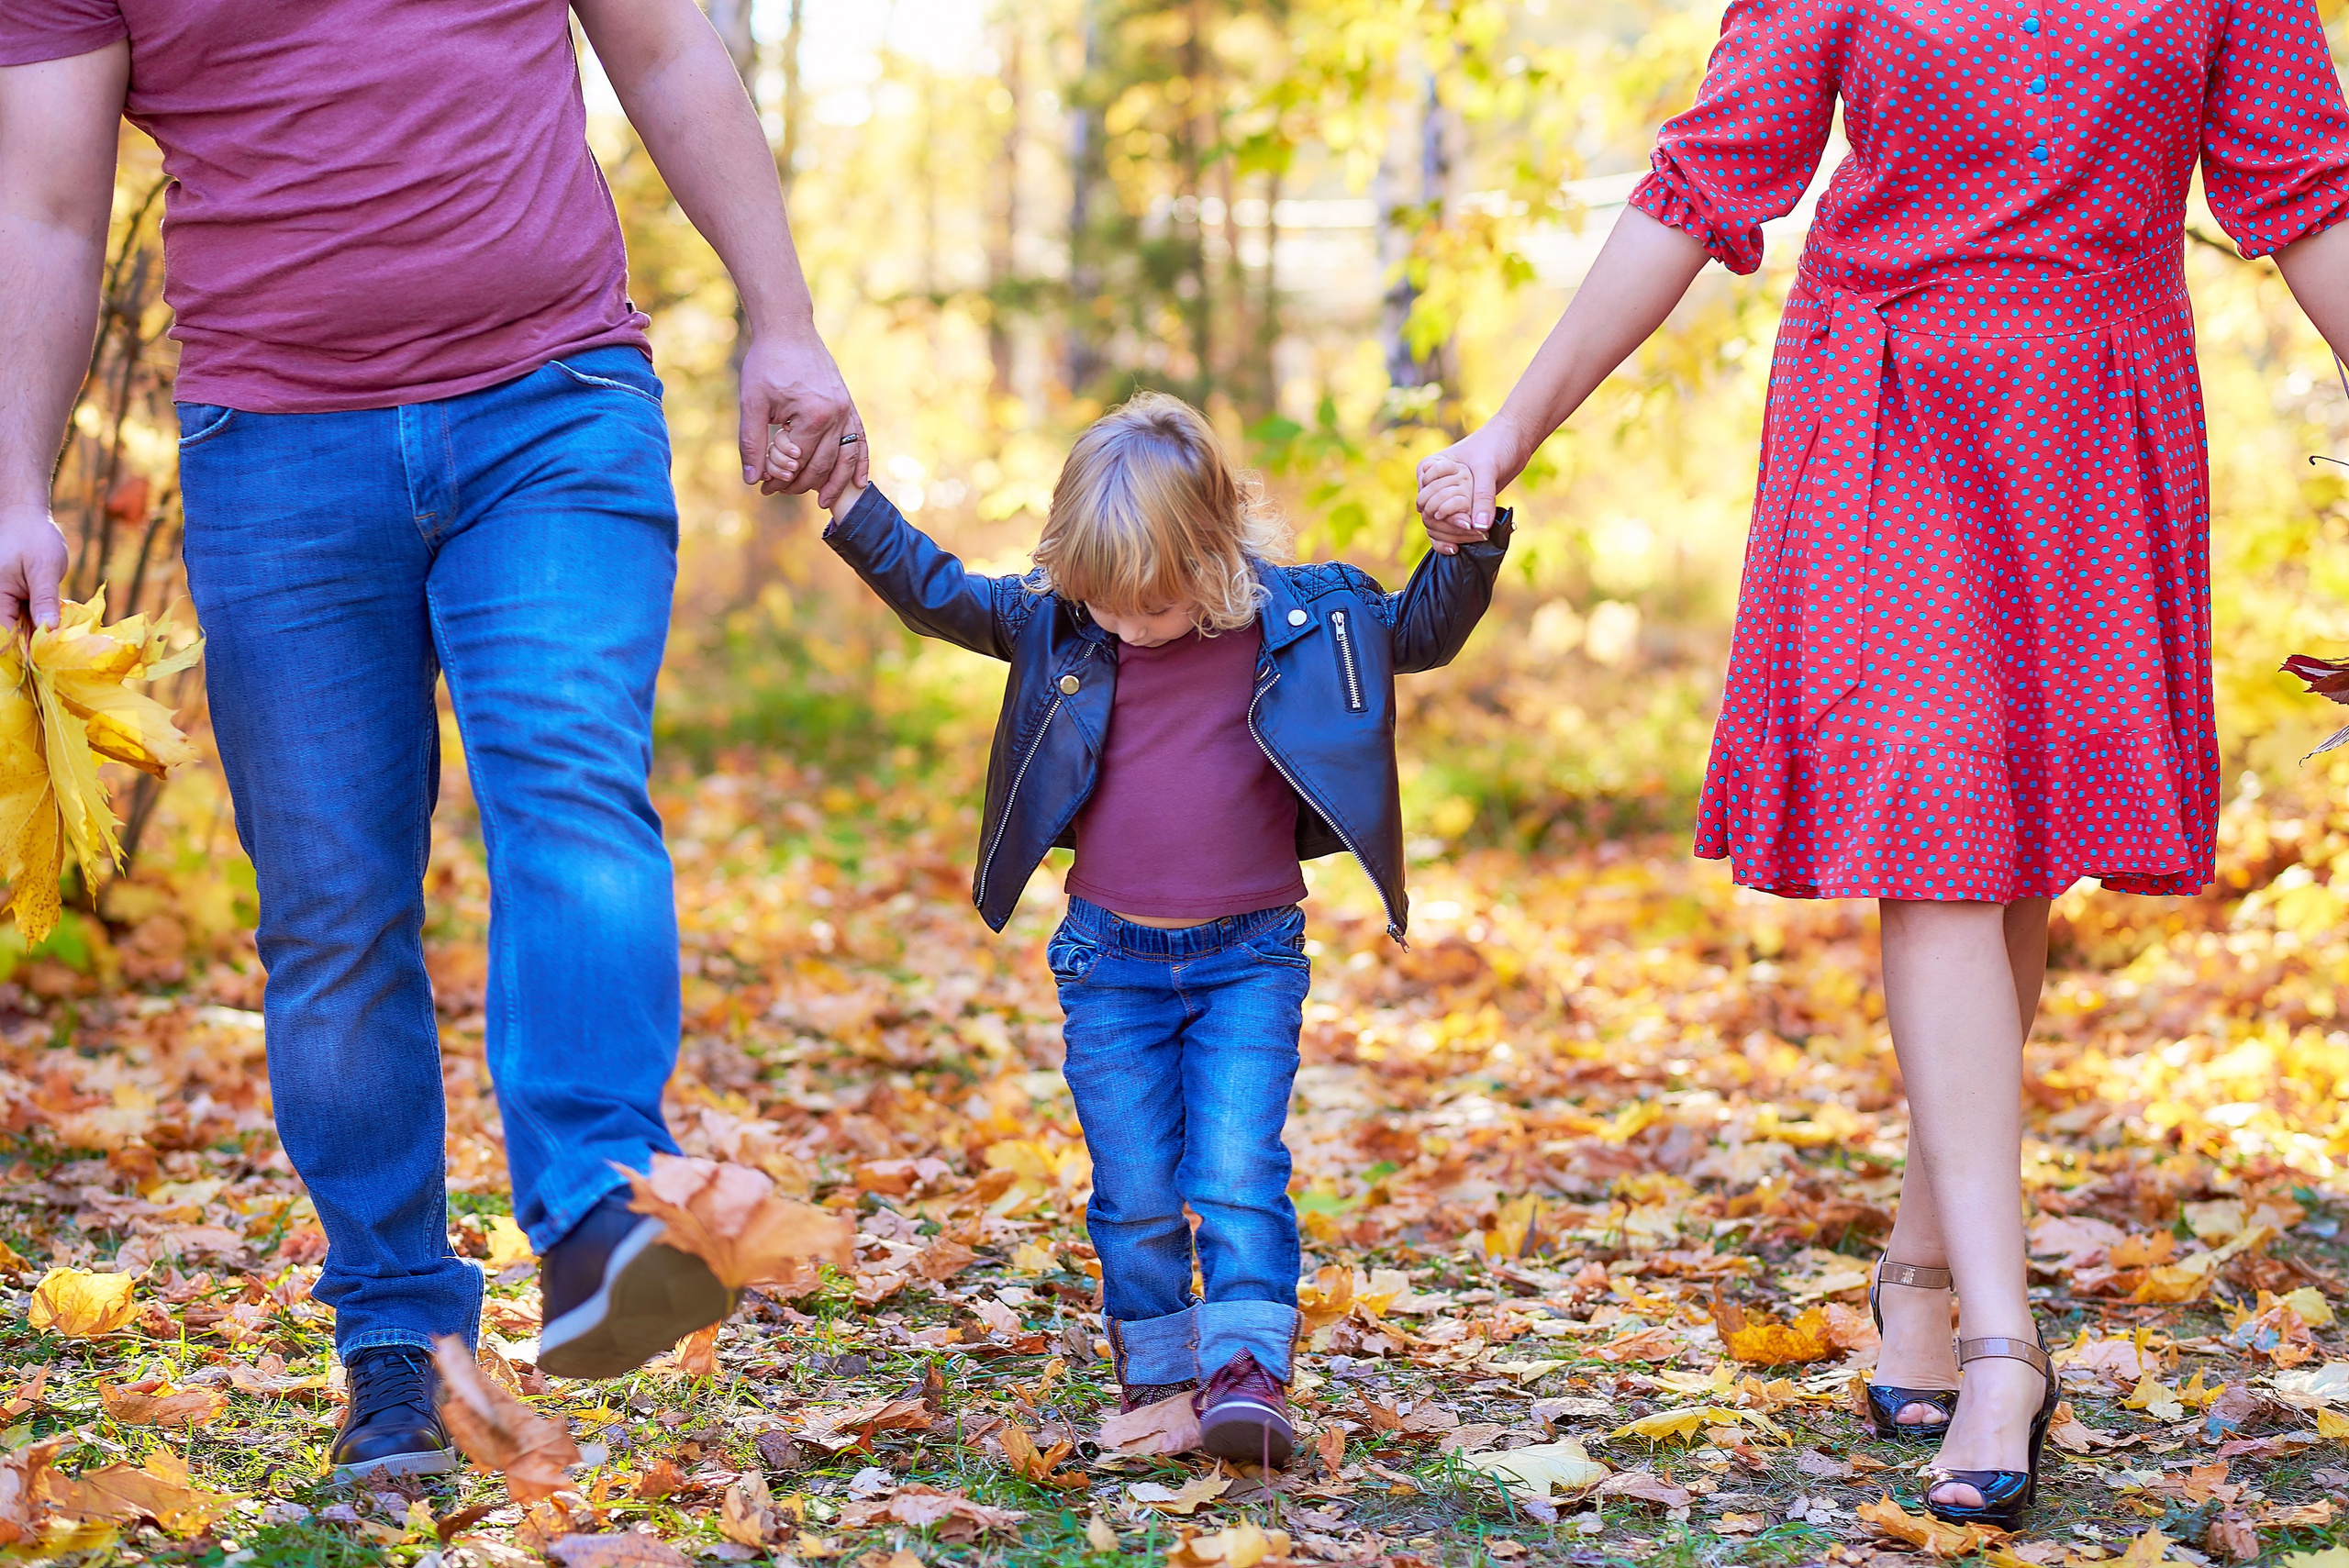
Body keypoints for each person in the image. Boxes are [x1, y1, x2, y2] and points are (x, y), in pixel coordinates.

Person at [1417, 0, 2349, 1528]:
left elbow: (2314, 193)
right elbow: (1705, 180)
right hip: (1889, 394)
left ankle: (1923, 1259)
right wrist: (1510, 430)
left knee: (2016, 843)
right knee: (1931, 825)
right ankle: (2004, 1341)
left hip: (2103, 413)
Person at [0, 0, 868, 1483]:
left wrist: (781, 318)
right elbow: (51, 203)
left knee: (571, 784)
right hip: (271, 446)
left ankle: (601, 1205)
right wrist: (19, 474)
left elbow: (664, 49)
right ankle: (394, 1345)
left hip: (552, 404)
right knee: (333, 912)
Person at [816, 393, 1508, 1466]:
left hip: (1248, 959)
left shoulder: (1307, 616)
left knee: (1236, 1168)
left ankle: (1245, 1375)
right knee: (1133, 1185)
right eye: (1106, 603)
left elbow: (1419, 628)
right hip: (1110, 964)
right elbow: (939, 593)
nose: (1128, 624)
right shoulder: (1059, 623)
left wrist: (1464, 543)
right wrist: (855, 506)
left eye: (1154, 601)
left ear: (1215, 549)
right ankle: (1158, 1377)